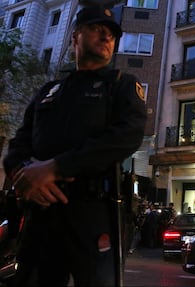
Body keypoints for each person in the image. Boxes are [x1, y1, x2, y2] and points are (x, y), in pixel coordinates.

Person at [2, 5, 147, 286]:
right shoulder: (48, 92)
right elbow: (19, 143)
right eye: (97, 29)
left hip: (92, 215)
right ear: (75, 37)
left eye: (112, 35)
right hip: (41, 213)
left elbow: (125, 137)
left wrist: (56, 168)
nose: (106, 37)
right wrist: (24, 173)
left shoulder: (121, 86)